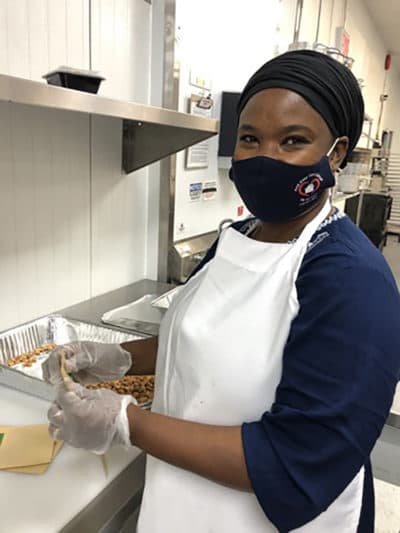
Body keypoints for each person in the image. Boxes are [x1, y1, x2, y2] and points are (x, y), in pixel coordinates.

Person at [43, 50, 400, 533]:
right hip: (186, 504)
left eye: (293, 140)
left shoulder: (352, 280)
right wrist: (116, 358)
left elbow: (298, 461)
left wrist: (126, 422)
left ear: (334, 153)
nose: (265, 156)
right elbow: (204, 335)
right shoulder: (243, 234)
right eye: (250, 138)